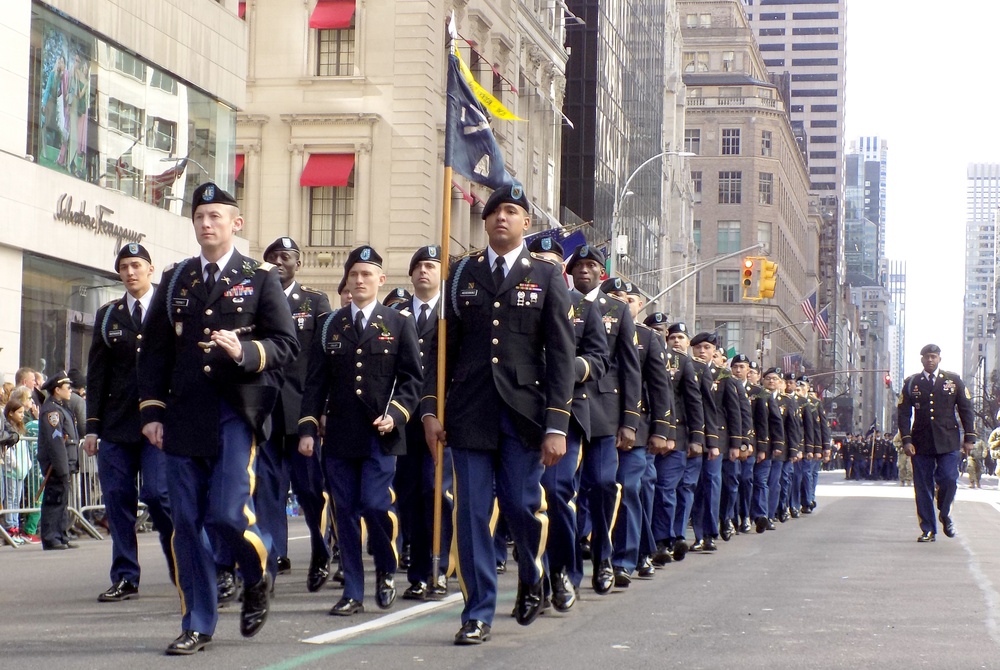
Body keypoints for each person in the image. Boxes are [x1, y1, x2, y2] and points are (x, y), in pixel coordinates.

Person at [138, 182, 299, 654]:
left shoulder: (260, 277)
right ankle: (198, 622)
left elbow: (285, 345)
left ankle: (256, 573)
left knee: (229, 514)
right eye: (200, 216)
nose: (207, 224)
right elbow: (155, 353)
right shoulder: (176, 279)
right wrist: (152, 412)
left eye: (216, 216)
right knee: (186, 523)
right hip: (185, 414)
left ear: (236, 223)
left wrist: (246, 350)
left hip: (234, 412)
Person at [423, 183, 575, 645]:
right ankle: (478, 611)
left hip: (524, 414)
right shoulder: (460, 273)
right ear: (485, 223)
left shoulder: (546, 277)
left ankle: (531, 572)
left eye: (512, 212)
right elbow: (438, 348)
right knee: (470, 515)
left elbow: (562, 354)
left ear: (526, 223)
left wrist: (556, 424)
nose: (502, 219)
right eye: (494, 213)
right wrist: (431, 410)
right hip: (469, 413)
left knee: (520, 505)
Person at [299, 245, 422, 616]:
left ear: (381, 280)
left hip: (380, 435)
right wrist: (307, 427)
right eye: (354, 274)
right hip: (339, 434)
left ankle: (386, 566)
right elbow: (315, 382)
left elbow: (412, 379)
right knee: (345, 511)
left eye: (367, 274)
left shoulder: (398, 323)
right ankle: (352, 589)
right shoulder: (330, 325)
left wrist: (397, 414)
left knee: (373, 504)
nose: (359, 280)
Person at [83, 243, 174, 603]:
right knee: (117, 500)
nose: (130, 272)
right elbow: (97, 375)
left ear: (151, 269)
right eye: (124, 267)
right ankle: (125, 575)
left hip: (160, 425)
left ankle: (181, 560)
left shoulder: (167, 311)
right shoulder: (109, 315)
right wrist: (92, 427)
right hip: (117, 425)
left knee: (158, 494)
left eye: (137, 265)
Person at [258, 236, 333, 592]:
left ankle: (320, 552)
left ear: (297, 264)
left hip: (304, 414)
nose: (278, 262)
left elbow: (325, 364)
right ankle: (269, 564)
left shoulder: (316, 302)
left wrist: (322, 412)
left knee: (309, 491)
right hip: (266, 413)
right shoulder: (257, 299)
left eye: (285, 257)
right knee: (267, 492)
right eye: (272, 257)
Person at [565, 247, 640, 594]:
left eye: (591, 265)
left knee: (604, 485)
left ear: (601, 273)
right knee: (562, 489)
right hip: (565, 409)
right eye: (578, 266)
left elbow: (630, 368)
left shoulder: (618, 311)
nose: (584, 271)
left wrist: (629, 421)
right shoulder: (559, 301)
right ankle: (567, 566)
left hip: (603, 413)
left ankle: (604, 556)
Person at [395, 245, 455, 601]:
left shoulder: (451, 317)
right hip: (404, 423)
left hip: (439, 419)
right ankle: (417, 573)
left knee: (437, 495)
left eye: (431, 266)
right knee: (409, 498)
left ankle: (440, 568)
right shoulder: (397, 316)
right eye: (418, 266)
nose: (423, 272)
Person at [606, 279, 673, 585]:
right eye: (614, 296)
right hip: (597, 423)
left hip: (637, 426)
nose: (621, 302)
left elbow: (660, 387)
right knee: (603, 490)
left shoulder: (647, 337)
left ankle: (625, 559)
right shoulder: (590, 328)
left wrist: (661, 429)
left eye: (628, 298)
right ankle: (634, 549)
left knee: (630, 489)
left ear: (639, 305)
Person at [897, 344, 976, 542]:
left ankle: (944, 512)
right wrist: (906, 440)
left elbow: (966, 409)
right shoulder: (911, 382)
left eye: (933, 356)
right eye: (926, 357)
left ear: (939, 358)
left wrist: (969, 438)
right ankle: (928, 529)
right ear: (921, 359)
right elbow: (904, 413)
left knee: (949, 479)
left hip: (948, 440)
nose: (930, 360)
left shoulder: (953, 380)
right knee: (923, 486)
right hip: (921, 442)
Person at [36, 371, 79, 550]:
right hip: (56, 462)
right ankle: (50, 536)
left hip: (64, 461)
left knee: (62, 499)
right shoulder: (52, 411)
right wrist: (61, 467)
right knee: (55, 498)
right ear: (57, 390)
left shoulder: (61, 407)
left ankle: (61, 533)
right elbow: (55, 442)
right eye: (67, 388)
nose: (70, 390)